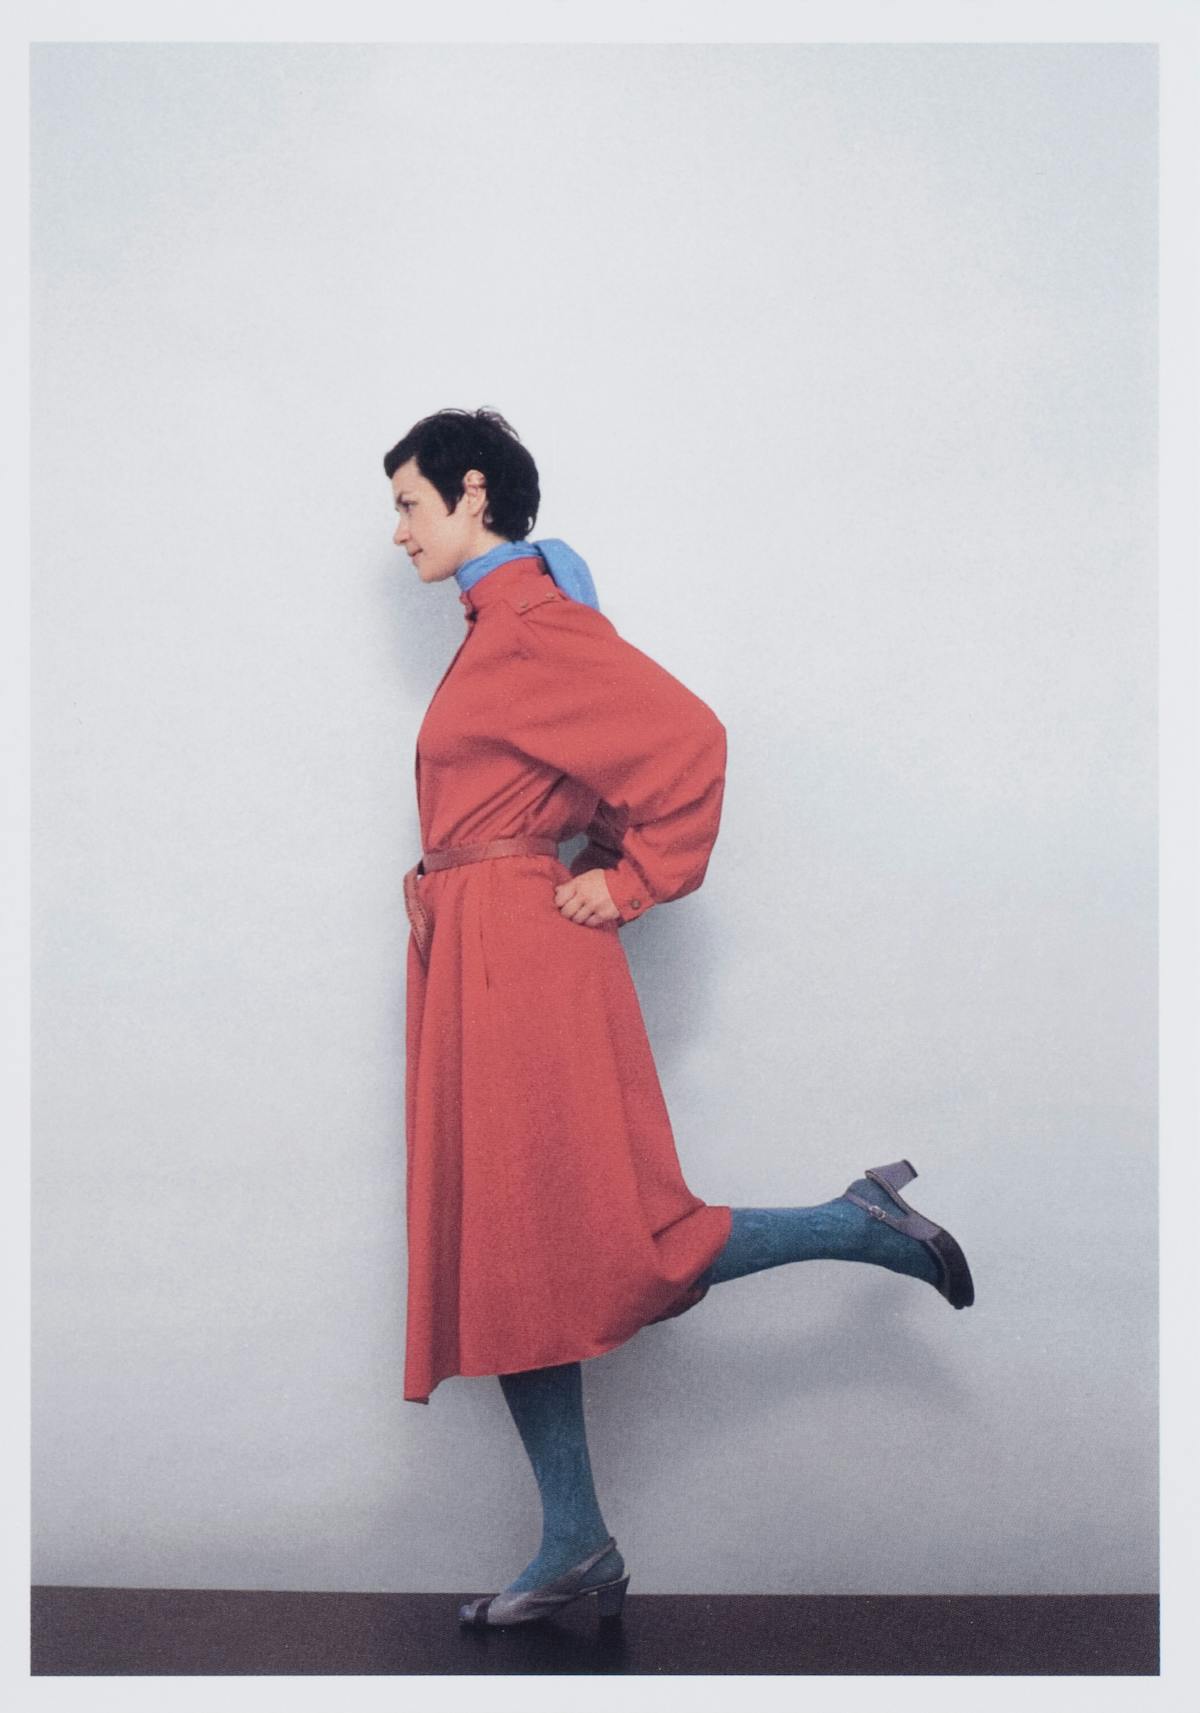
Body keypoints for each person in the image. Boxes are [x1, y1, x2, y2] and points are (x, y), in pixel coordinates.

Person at [384, 408, 974, 1630]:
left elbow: (687, 738)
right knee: (510, 1255)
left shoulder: (532, 622)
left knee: (595, 1240)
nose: (397, 532)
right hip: (477, 951)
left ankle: (857, 1223)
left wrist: (630, 877)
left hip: (519, 961)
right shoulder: (501, 624)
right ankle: (575, 1540)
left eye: (408, 504)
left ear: (473, 493)